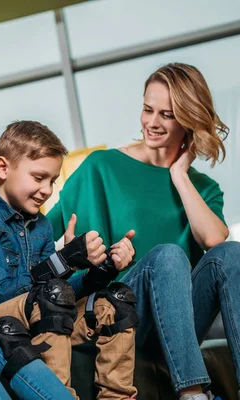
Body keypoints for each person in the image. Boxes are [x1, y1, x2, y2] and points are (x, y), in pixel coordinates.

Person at [46, 62, 239, 400]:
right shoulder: (101, 166)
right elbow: (39, 230)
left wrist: (179, 175)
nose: (152, 122)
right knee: (168, 255)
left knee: (234, 254)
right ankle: (193, 393)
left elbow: (214, 242)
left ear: (189, 119)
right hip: (123, 313)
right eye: (148, 109)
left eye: (167, 114)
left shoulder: (201, 187)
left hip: (181, 322)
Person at [0, 121, 138, 400]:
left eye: (52, 180)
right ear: (3, 168)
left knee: (115, 302)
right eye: (39, 177)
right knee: (50, 295)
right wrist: (65, 260)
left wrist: (101, 271)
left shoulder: (40, 225)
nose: (47, 190)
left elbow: (53, 293)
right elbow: (1, 295)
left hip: (22, 315)